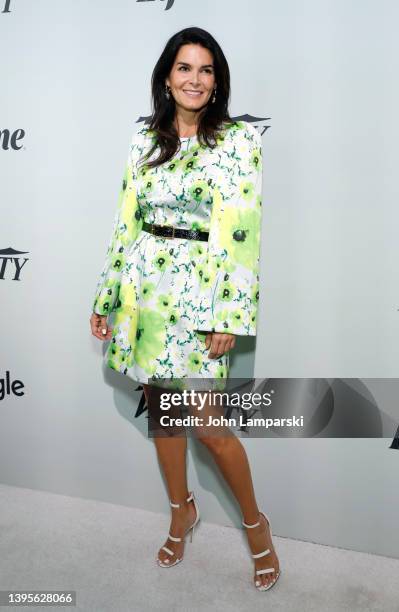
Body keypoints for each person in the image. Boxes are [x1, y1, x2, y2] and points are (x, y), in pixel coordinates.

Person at [89, 26, 280, 592]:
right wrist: (107, 296)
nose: (194, 79)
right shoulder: (142, 137)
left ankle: (257, 528)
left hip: (201, 295)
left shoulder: (239, 143)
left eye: (205, 70)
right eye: (184, 68)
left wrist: (228, 315)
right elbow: (126, 219)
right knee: (162, 412)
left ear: (216, 81)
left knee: (209, 426)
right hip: (145, 290)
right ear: (167, 78)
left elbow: (242, 235)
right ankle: (181, 511)